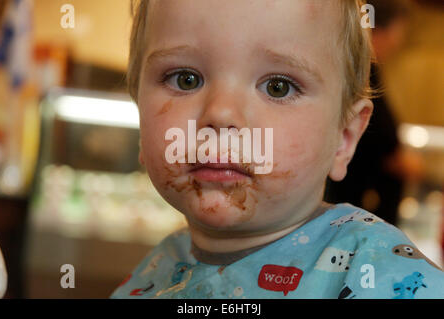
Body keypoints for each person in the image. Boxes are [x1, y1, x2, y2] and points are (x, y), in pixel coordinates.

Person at [110, 0, 444, 299]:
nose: (221, 112)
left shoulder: (378, 275)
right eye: (185, 79)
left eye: (277, 87)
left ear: (343, 138)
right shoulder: (153, 272)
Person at [325, 0, 423, 226]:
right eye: (399, 30)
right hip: (353, 209)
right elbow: (390, 153)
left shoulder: (361, 72)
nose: (398, 41)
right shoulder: (364, 75)